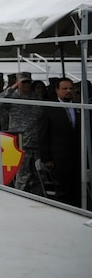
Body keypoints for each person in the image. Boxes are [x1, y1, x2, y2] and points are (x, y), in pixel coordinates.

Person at [37, 78, 82, 207]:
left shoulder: (80, 107)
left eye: (71, 88)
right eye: (65, 89)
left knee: (77, 191)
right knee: (63, 193)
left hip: (78, 159)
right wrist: (46, 159)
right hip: (59, 160)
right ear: (57, 90)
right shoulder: (49, 109)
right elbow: (42, 135)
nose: (69, 91)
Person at [0, 72, 42, 193]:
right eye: (23, 82)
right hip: (19, 143)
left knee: (37, 176)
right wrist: (12, 88)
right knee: (22, 176)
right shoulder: (12, 98)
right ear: (17, 83)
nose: (26, 85)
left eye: (28, 82)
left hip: (35, 142)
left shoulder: (36, 98)